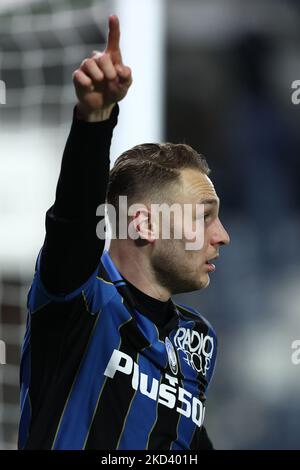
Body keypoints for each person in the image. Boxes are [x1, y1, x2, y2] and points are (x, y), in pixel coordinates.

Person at [18, 15, 230, 450]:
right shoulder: (81, 297)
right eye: (204, 216)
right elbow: (74, 225)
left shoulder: (198, 340)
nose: (222, 235)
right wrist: (95, 120)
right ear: (144, 222)